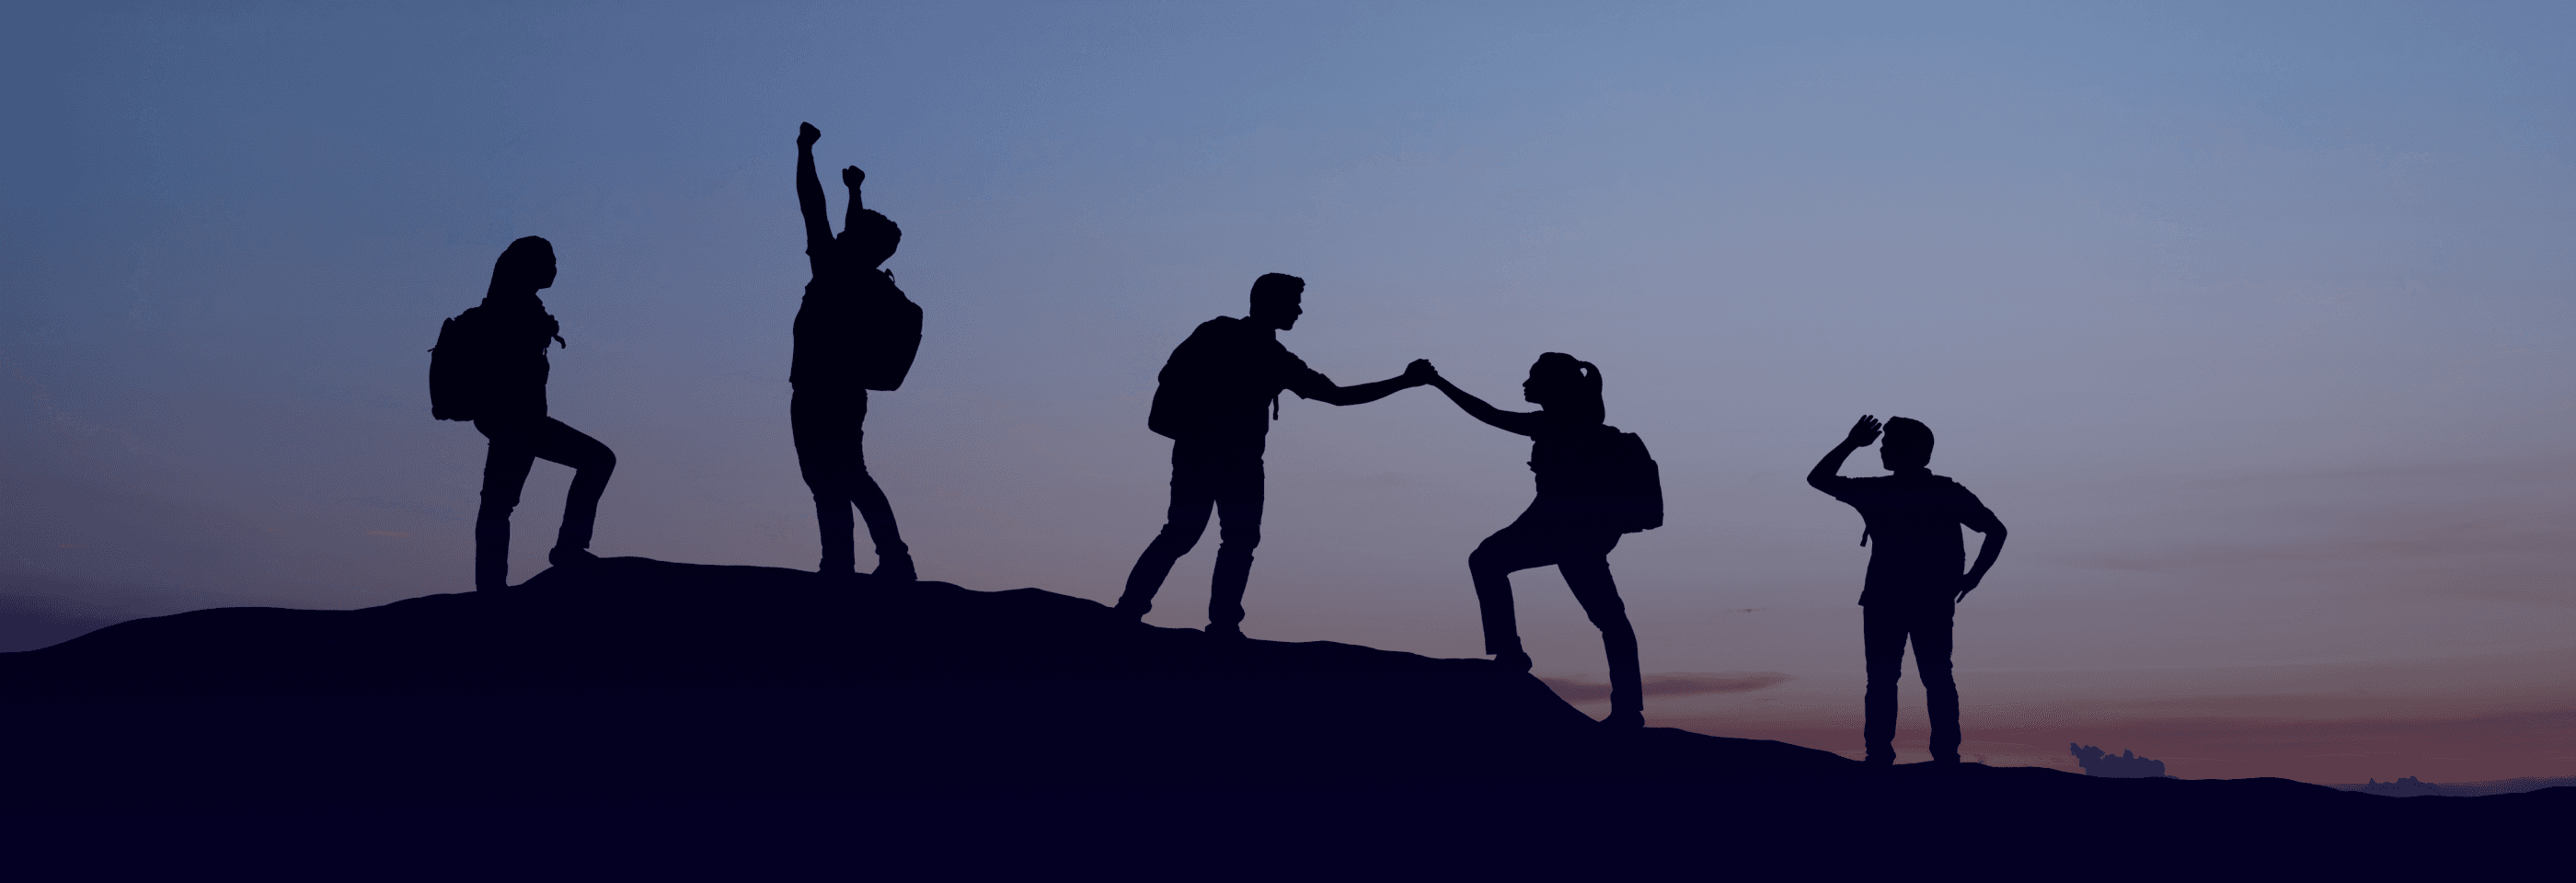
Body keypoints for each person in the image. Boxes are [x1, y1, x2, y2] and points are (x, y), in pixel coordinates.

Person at [1116, 272, 1429, 637]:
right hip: (1221, 456)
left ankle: (1153, 614)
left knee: (1209, 536)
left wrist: (1403, 382)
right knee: (1214, 536)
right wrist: (1404, 381)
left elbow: (1336, 395)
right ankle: (1197, 621)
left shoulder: (1250, 346)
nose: (1298, 311)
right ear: (1270, 303)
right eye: (1293, 303)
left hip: (1215, 455)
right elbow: (1338, 396)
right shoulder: (1252, 347)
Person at [1418, 353, 1649, 728]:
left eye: (1533, 378)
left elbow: (1489, 414)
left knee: (1489, 561)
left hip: (1565, 530)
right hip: (1570, 531)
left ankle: (1512, 655)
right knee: (1609, 619)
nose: (1525, 385)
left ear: (1555, 387)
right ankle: (1626, 707)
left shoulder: (1561, 424)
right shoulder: (1567, 423)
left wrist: (1440, 384)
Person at [1806, 416, 2007, 764]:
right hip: (1924, 597)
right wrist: (1972, 577)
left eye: (1887, 445)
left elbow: (1818, 479)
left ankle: (1884, 757)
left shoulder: (1881, 492)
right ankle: (1941, 757)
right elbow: (1996, 530)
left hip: (1890, 598)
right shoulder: (1943, 491)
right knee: (1933, 676)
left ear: (1905, 450)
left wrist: (1853, 443)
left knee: (1889, 679)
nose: (1881, 449)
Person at [793, 121, 923, 581]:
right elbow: (848, 226)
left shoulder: (834, 269)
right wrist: (854, 192)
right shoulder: (867, 280)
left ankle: (872, 561)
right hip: (843, 392)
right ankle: (863, 562)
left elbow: (811, 202)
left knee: (835, 479)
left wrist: (805, 151)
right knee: (845, 476)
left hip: (818, 390)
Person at [451, 236, 616, 591]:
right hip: (512, 422)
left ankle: (567, 549)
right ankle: (493, 590)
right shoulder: (508, 310)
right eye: (548, 261)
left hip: (526, 422)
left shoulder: (526, 308)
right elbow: (507, 363)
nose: (554, 269)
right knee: (498, 504)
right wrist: (537, 331)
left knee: (598, 461)